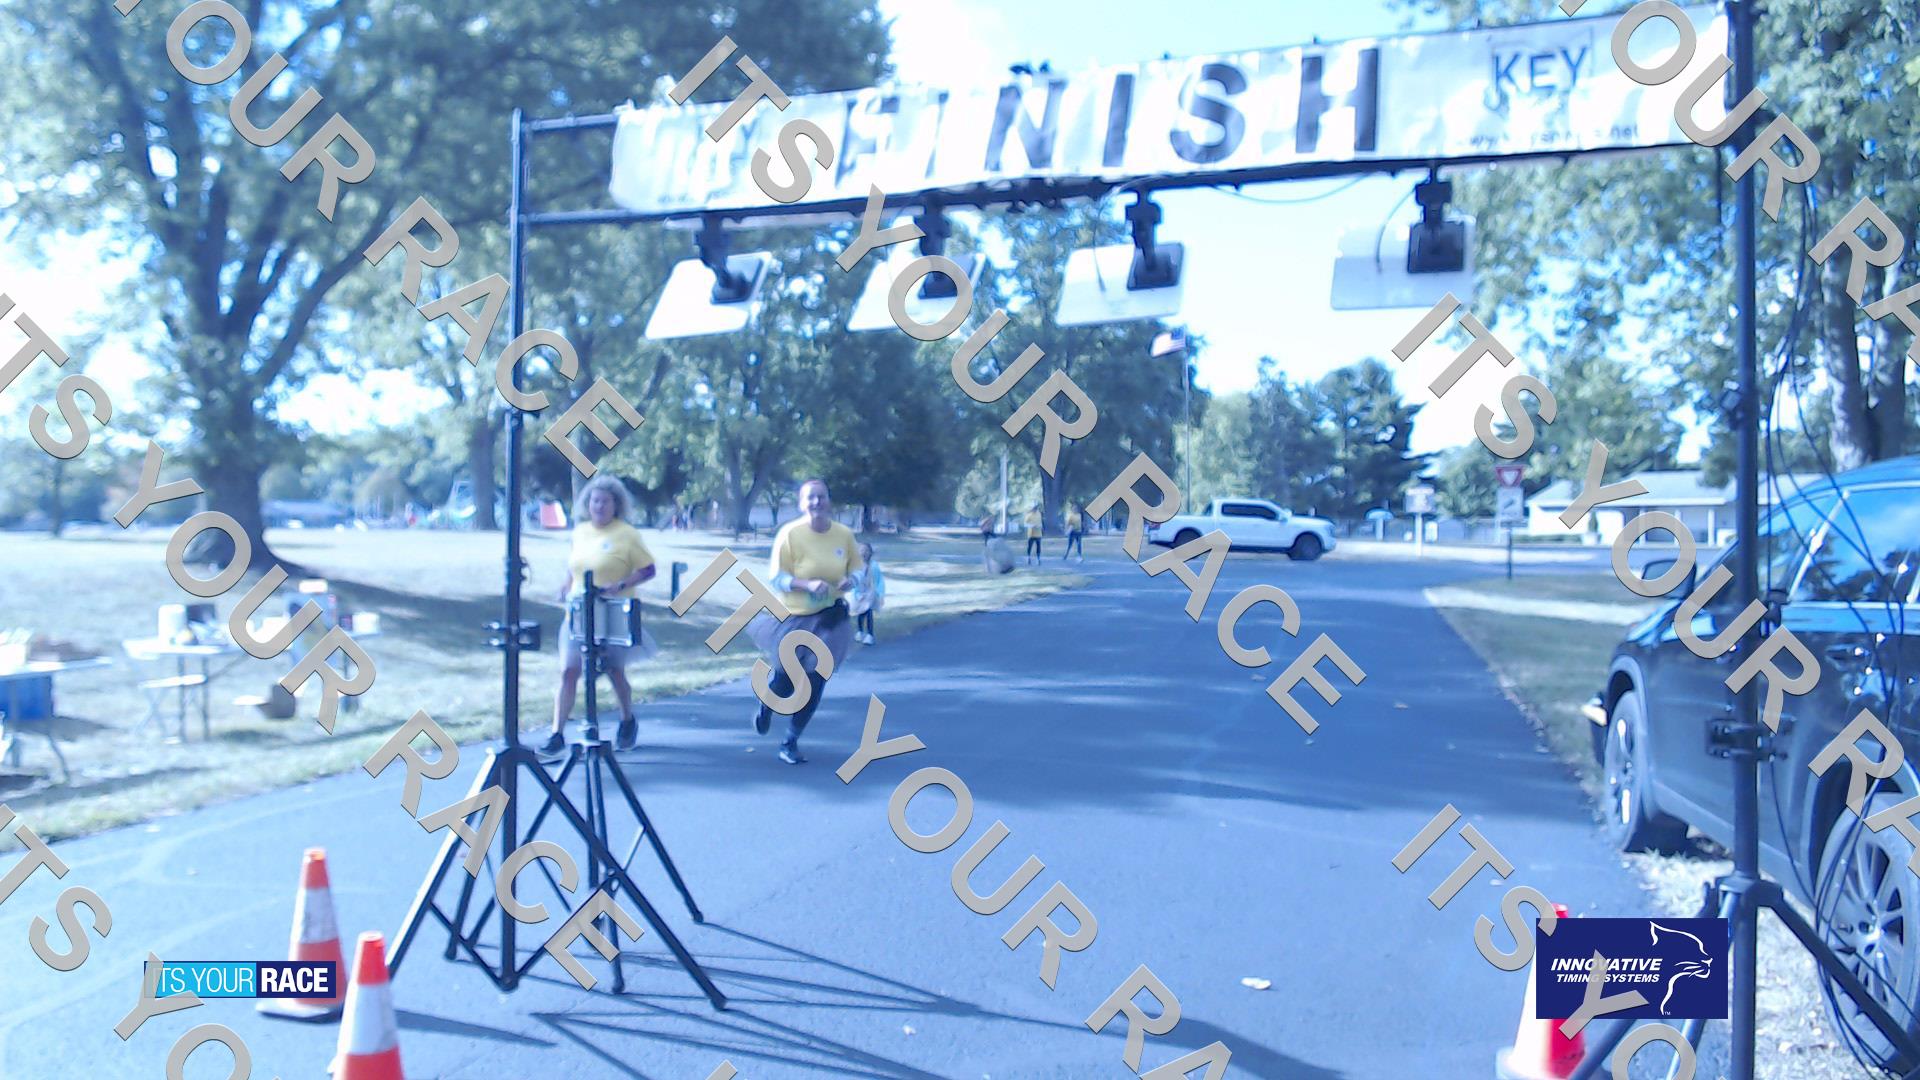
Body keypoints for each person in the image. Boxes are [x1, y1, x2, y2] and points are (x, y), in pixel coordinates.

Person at [748, 479, 861, 765]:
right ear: (801, 503)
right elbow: (776, 578)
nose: (816, 502)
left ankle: (790, 741)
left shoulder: (844, 535)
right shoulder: (790, 534)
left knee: (815, 681)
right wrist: (806, 585)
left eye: (821, 496)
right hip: (794, 618)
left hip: (830, 621)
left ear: (829, 501)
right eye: (810, 497)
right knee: (785, 683)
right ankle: (767, 704)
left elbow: (858, 569)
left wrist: (852, 580)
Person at [542, 475, 655, 758]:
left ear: (616, 505)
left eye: (605, 501)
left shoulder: (627, 534)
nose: (599, 506)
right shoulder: (580, 532)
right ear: (587, 504)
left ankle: (627, 720)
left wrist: (620, 585)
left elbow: (648, 569)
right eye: (595, 501)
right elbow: (574, 566)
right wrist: (566, 586)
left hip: (613, 611)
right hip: (579, 611)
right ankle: (556, 734)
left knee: (614, 670)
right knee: (569, 671)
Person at [849, 541, 886, 646]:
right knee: (860, 613)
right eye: (861, 550)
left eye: (866, 551)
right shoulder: (856, 566)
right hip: (859, 593)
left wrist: (880, 594)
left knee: (868, 612)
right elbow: (854, 580)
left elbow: (879, 581)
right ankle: (860, 631)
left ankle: (870, 634)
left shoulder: (874, 566)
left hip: (870, 593)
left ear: (870, 553)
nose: (864, 553)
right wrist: (855, 593)